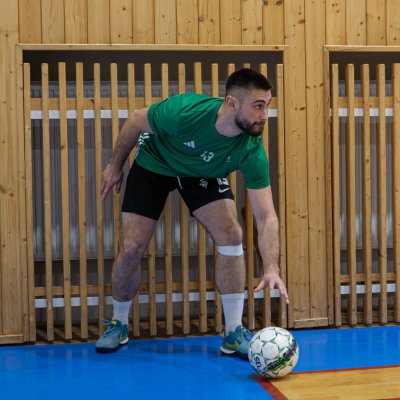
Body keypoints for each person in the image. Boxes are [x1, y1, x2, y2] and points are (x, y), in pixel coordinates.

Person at [96, 68, 289, 357]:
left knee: (232, 235)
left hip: (203, 173)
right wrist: (115, 165)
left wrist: (272, 267)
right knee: (132, 246)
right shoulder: (185, 112)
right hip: (154, 164)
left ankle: (233, 332)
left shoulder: (250, 149)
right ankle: (118, 323)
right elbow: (136, 121)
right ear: (232, 103)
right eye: (258, 106)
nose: (264, 115)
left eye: (267, 106)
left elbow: (266, 216)